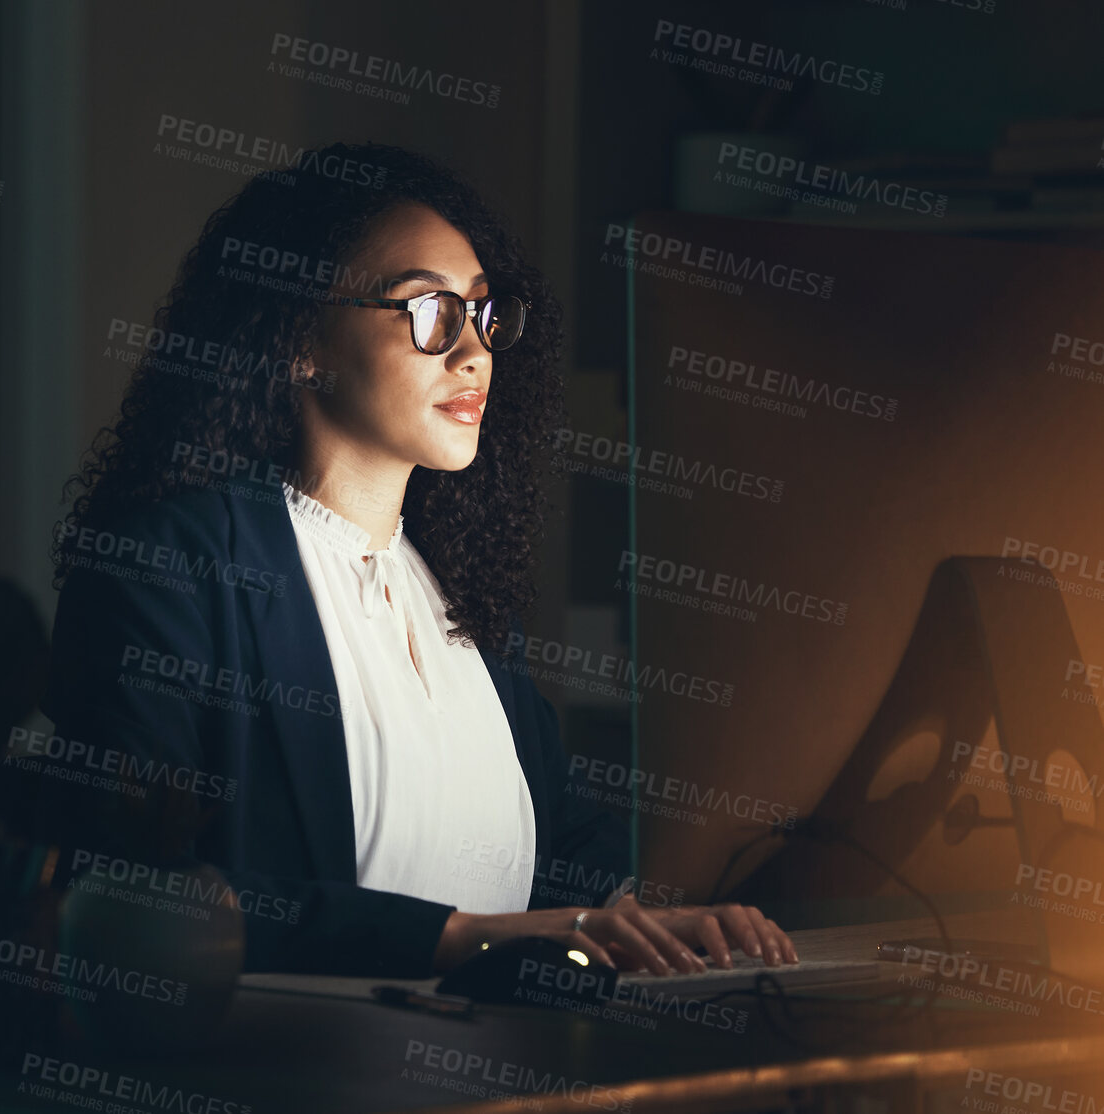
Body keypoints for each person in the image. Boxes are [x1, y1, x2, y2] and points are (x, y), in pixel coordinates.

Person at [42, 142, 796, 978]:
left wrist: (652, 918)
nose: (473, 353)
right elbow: (135, 891)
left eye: (482, 314)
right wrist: (466, 936)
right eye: (429, 311)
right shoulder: (168, 567)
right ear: (302, 341)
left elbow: (561, 848)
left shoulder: (456, 585)